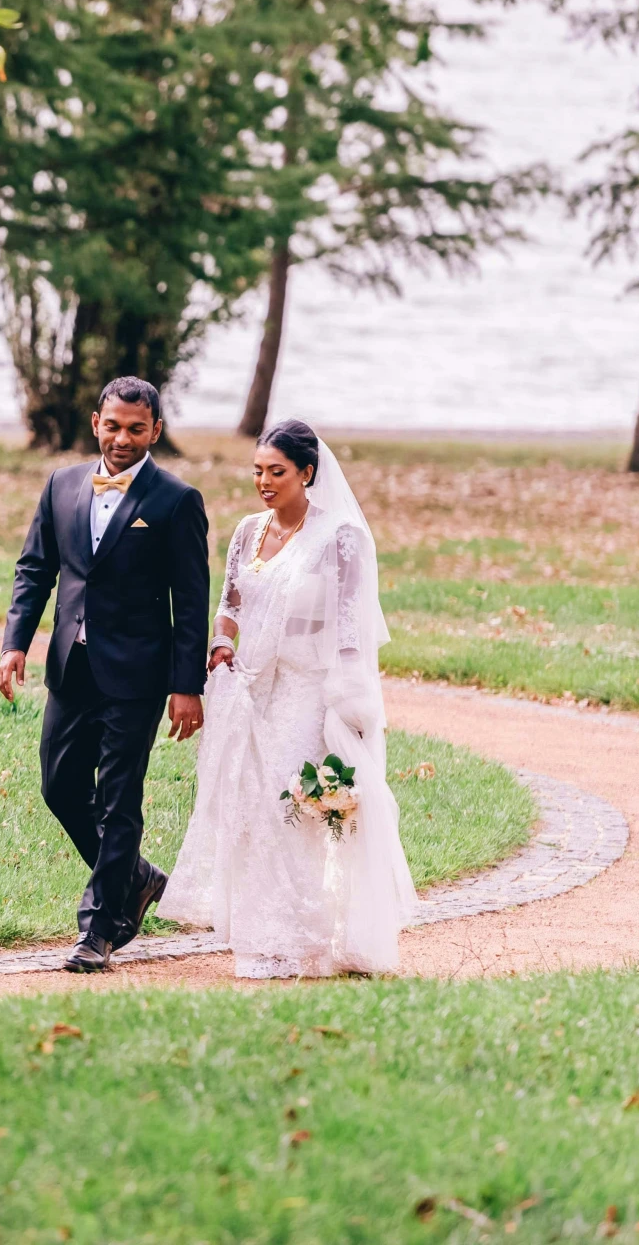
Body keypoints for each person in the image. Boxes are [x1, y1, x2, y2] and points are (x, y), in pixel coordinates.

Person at [157, 419, 417, 978]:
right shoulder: (248, 532)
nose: (265, 482)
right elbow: (230, 602)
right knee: (249, 812)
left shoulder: (340, 538)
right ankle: (263, 935)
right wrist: (222, 642)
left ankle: (303, 937)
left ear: (307, 473)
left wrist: (353, 709)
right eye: (258, 471)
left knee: (292, 807)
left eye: (277, 472)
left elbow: (350, 629)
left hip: (308, 692)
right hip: (250, 691)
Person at [0, 376, 211, 973]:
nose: (122, 438)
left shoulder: (175, 501)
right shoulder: (62, 485)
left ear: (155, 432)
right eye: (113, 426)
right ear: (96, 422)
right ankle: (136, 876)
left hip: (138, 675)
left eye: (136, 429)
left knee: (120, 798)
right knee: (59, 786)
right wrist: (16, 642)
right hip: (72, 665)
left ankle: (99, 929)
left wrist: (186, 685)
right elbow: (35, 568)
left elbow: (191, 602)